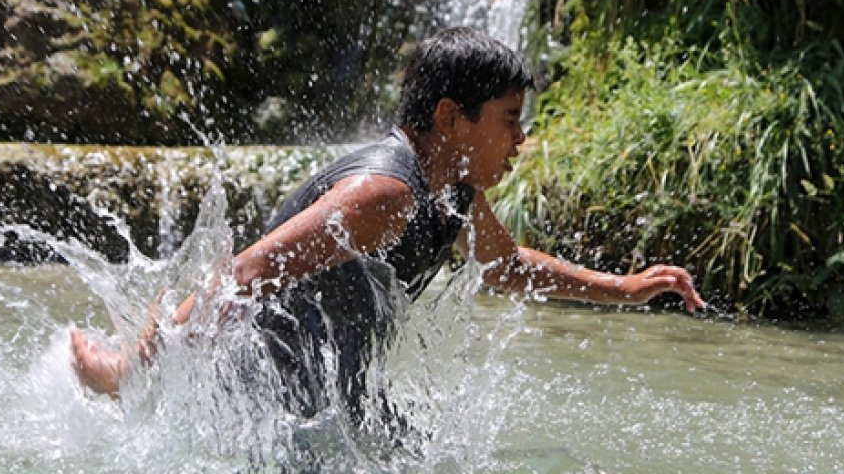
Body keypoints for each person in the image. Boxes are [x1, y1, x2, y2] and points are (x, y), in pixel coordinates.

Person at [69, 27, 705, 416]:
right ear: (453, 118)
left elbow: (507, 265)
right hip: (256, 398)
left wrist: (623, 287)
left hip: (324, 402)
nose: (521, 139)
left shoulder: (449, 189)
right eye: (510, 118)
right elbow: (245, 273)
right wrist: (133, 372)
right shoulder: (385, 194)